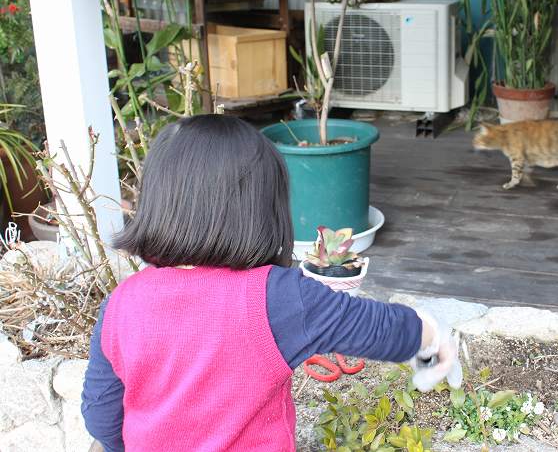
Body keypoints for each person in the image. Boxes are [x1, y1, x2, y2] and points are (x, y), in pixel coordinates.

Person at [81, 115, 461, 451]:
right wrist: (433, 337)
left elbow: (101, 414)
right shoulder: (278, 297)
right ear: (260, 208)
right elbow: (377, 327)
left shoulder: (121, 304)